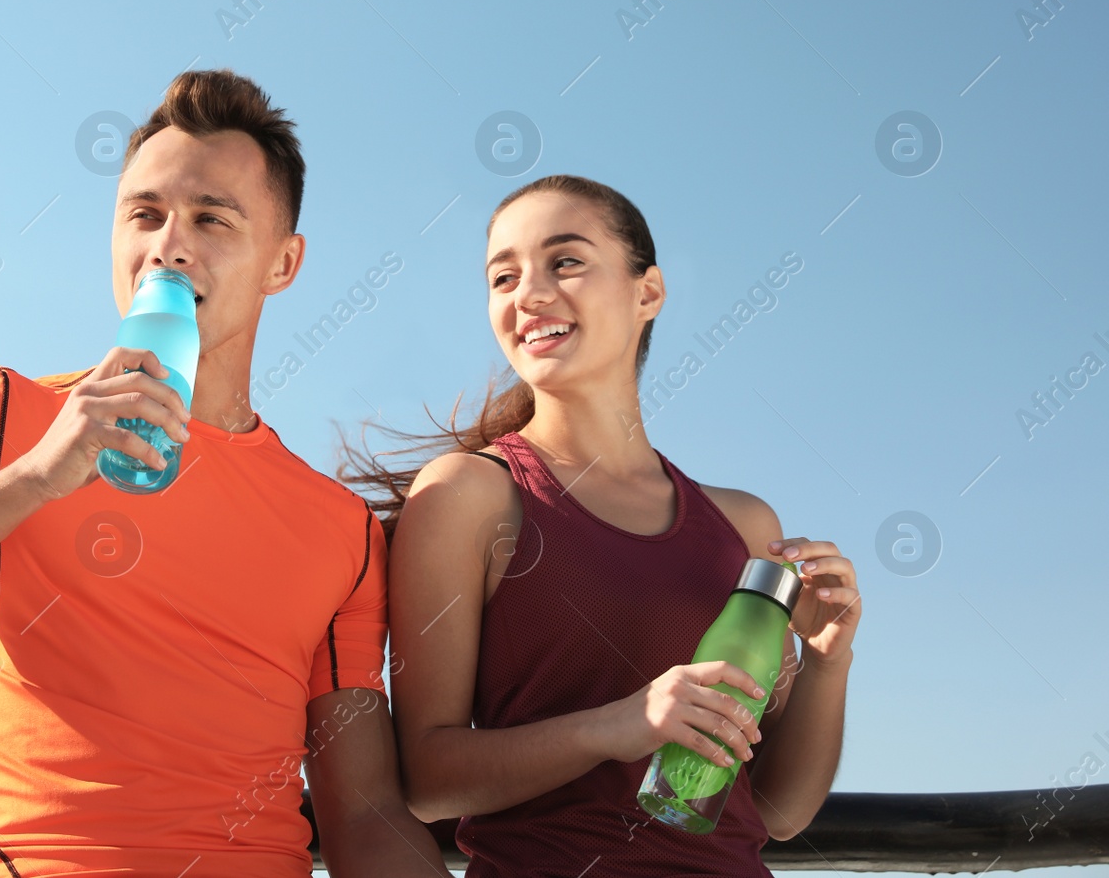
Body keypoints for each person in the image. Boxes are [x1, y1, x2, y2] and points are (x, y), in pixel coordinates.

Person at [0, 70, 447, 878]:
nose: (167, 245)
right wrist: (34, 477)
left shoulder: (341, 528)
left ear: (282, 263)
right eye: (144, 214)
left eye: (211, 218)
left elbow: (363, 814)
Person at [339, 174, 860, 876]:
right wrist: (619, 724)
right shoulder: (468, 495)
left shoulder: (744, 523)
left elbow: (777, 810)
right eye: (503, 276)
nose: (528, 293)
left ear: (647, 292)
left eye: (565, 261)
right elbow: (429, 780)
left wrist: (828, 661)